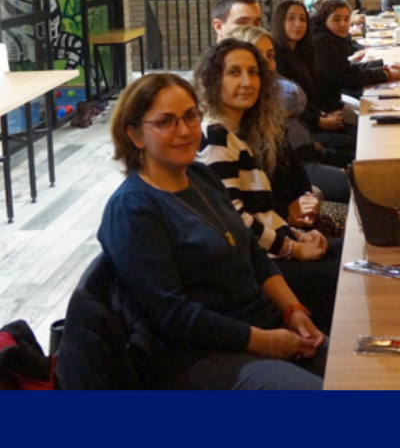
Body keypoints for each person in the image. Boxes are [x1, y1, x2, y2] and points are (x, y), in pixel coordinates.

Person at [96, 73, 326, 389]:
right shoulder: (133, 209)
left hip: (260, 328)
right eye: (165, 122)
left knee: (359, 372)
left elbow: (251, 250)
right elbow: (172, 316)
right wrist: (265, 342)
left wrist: (293, 310)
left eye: (190, 116)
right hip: (197, 357)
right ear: (134, 135)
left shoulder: (201, 176)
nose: (184, 130)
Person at [193, 39, 342, 334]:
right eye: (234, 72)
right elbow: (236, 221)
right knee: (351, 274)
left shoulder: (235, 133)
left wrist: (298, 235)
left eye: (253, 72)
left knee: (352, 253)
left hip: (272, 253)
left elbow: (262, 213)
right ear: (213, 80)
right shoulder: (216, 140)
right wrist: (293, 248)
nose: (247, 82)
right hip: (258, 271)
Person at [226, 24, 351, 204]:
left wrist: (307, 198)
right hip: (276, 214)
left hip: (301, 185)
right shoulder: (230, 125)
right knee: (361, 189)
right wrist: (295, 209)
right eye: (258, 57)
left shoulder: (267, 112)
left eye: (270, 56)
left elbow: (294, 172)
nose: (266, 64)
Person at [270, 0, 356, 160]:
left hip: (315, 119)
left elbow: (308, 98)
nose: (298, 24)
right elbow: (289, 106)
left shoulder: (302, 52)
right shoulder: (276, 57)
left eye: (303, 19)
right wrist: (321, 121)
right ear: (279, 21)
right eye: (291, 18)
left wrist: (323, 115)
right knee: (358, 144)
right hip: (299, 136)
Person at [311, 0, 400, 111]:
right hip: (323, 107)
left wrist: (382, 65)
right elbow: (348, 77)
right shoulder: (322, 41)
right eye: (336, 19)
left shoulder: (330, 36)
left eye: (346, 19)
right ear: (324, 20)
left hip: (332, 97)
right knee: (373, 109)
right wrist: (385, 74)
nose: (343, 24)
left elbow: (346, 68)